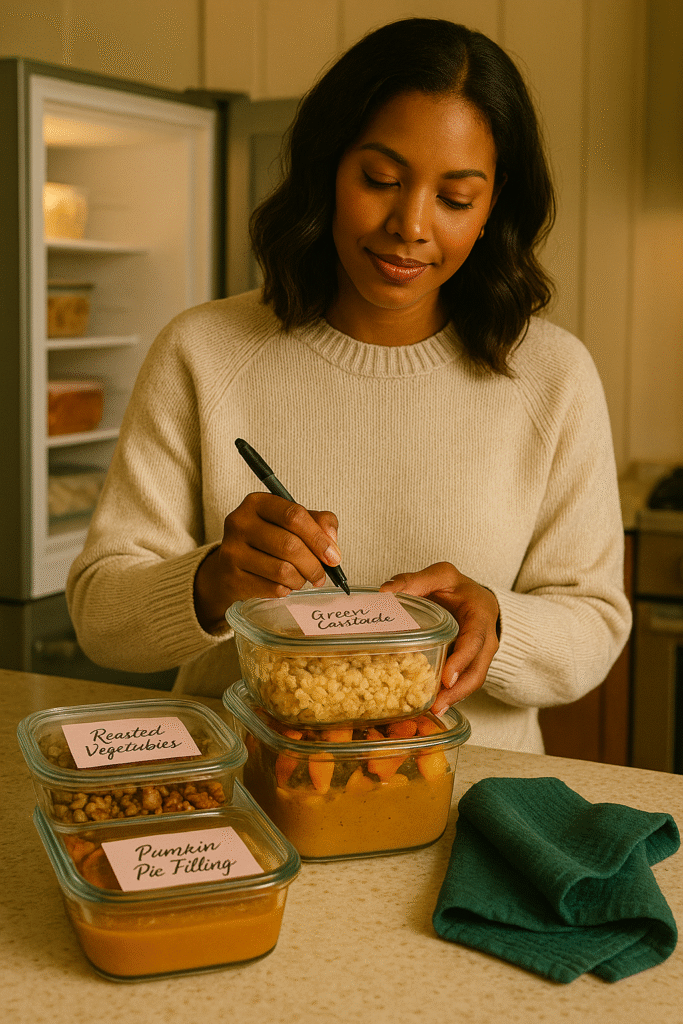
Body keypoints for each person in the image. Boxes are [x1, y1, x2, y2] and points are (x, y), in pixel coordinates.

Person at [66, 18, 631, 754]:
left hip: (476, 805)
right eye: (380, 181)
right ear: (327, 169)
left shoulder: (552, 377)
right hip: (248, 801)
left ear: (493, 211)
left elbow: (594, 622)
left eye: (455, 199)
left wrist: (498, 620)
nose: (410, 226)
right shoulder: (203, 351)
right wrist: (210, 580)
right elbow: (99, 617)